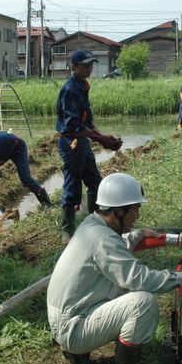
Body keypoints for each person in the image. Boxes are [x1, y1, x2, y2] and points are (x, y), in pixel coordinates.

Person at [47, 173, 182, 364]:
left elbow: (113, 247)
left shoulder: (92, 226)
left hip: (68, 317)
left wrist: (137, 234)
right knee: (143, 302)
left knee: (124, 287)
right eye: (136, 209)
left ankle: (81, 349)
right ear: (119, 210)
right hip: (72, 329)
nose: (137, 215)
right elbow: (139, 278)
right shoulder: (103, 239)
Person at [56, 49, 123, 243]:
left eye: (91, 64)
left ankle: (94, 221)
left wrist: (104, 136)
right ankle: (67, 230)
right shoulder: (70, 89)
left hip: (82, 141)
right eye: (85, 65)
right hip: (71, 142)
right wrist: (101, 139)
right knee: (72, 184)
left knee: (95, 182)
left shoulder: (83, 86)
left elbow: (88, 121)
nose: (90, 68)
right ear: (74, 66)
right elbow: (74, 125)